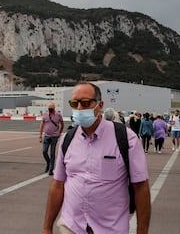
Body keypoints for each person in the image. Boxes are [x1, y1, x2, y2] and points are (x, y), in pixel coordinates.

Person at [42, 82, 150, 234]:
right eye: (75, 103)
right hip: (71, 227)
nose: (79, 108)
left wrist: (142, 231)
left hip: (110, 229)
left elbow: (141, 187)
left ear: (100, 105)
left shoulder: (126, 138)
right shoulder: (67, 139)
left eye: (85, 103)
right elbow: (58, 184)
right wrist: (47, 227)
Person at [39, 102, 64, 175]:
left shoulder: (58, 115)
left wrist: (59, 132)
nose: (50, 110)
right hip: (46, 136)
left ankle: (51, 169)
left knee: (52, 153)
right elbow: (41, 125)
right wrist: (40, 136)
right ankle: (48, 162)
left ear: (54, 108)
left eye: (51, 109)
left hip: (54, 136)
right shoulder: (45, 115)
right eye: (49, 109)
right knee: (44, 151)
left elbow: (62, 124)